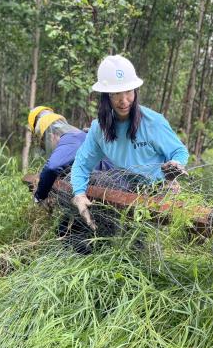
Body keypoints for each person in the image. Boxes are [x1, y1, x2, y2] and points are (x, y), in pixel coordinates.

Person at [71, 55, 189, 229]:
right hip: (129, 191)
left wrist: (175, 164)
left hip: (162, 191)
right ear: (106, 96)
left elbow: (179, 151)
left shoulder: (153, 123)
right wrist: (79, 195)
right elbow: (82, 164)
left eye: (128, 91)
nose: (124, 100)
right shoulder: (99, 129)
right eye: (116, 93)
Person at [27, 106, 111, 204]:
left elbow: (52, 167)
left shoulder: (70, 141)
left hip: (109, 189)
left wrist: (39, 197)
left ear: (50, 137)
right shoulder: (82, 135)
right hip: (108, 187)